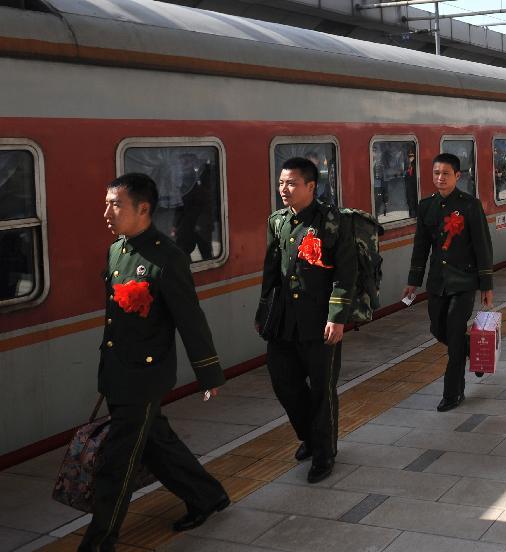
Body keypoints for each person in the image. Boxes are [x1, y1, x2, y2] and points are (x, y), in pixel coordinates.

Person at [81, 173, 229, 552]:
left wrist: (208, 373)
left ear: (143, 209)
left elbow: (190, 319)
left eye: (116, 205)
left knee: (117, 465)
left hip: (145, 377)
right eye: (107, 204)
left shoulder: (168, 257)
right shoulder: (117, 251)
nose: (107, 213)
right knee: (155, 444)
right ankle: (207, 495)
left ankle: (98, 543)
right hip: (118, 370)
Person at [256, 157, 357, 483]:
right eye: (281, 183)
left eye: (291, 183)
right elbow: (271, 271)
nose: (284, 189)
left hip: (319, 321)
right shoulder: (277, 222)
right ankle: (310, 437)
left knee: (322, 390)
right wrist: (263, 312)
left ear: (311, 186)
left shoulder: (333, 222)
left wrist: (337, 318)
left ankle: (324, 453)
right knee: (283, 382)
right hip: (284, 321)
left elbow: (346, 273)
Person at [403, 153, 493, 411]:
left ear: (457, 176)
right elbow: (421, 247)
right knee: (437, 329)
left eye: (445, 174)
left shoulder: (470, 205)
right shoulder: (426, 206)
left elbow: (483, 246)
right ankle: (470, 349)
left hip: (464, 281)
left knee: (454, 334)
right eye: (436, 173)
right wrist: (413, 280)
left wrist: (486, 285)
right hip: (437, 282)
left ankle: (453, 393)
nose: (440, 178)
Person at [173, 153, 213, 260]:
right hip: (187, 224)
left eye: (187, 161)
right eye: (182, 161)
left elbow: (206, 199)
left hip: (198, 223)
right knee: (184, 252)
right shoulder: (178, 178)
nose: (184, 163)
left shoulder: (202, 176)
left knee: (205, 251)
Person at [404, 150, 418, 217]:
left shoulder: (416, 163)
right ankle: (411, 213)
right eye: (409, 156)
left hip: (414, 184)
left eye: (412, 156)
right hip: (409, 184)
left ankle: (415, 213)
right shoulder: (407, 163)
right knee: (409, 199)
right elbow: (405, 172)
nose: (411, 157)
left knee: (414, 199)